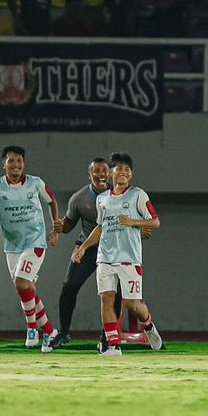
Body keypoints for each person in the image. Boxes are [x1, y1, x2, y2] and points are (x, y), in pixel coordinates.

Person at [72, 153, 163, 356]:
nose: (123, 172)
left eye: (127, 170)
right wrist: (84, 247)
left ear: (130, 175)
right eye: (119, 168)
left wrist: (133, 222)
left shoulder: (138, 195)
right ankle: (112, 346)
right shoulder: (103, 199)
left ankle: (148, 325)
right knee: (107, 298)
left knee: (132, 304)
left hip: (129, 258)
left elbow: (155, 222)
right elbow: (100, 227)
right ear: (112, 173)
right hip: (105, 257)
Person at [0, 145, 59, 351]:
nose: (16, 165)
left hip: (35, 242)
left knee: (21, 282)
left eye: (19, 161)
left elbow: (51, 201)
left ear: (23, 164)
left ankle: (32, 329)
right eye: (11, 161)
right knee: (26, 288)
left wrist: (54, 228)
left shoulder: (35, 183)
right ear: (4, 164)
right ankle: (51, 331)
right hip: (12, 246)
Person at [50, 158, 113, 347]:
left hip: (112, 251)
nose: (101, 174)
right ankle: (64, 332)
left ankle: (107, 336)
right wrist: (62, 227)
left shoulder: (118, 194)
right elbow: (69, 225)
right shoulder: (79, 198)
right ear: (89, 174)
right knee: (69, 286)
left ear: (109, 173)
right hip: (87, 248)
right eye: (96, 171)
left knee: (113, 294)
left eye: (104, 170)